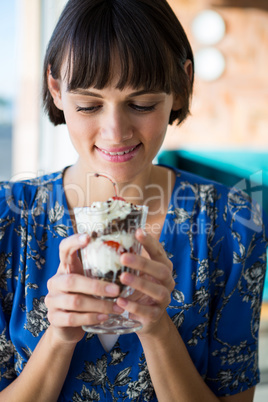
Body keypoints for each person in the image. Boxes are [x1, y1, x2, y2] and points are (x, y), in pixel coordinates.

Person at [0, 0, 267, 401]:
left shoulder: (234, 223)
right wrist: (57, 338)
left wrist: (157, 328)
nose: (115, 132)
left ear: (179, 86)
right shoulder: (8, 218)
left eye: (141, 104)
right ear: (56, 89)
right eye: (88, 104)